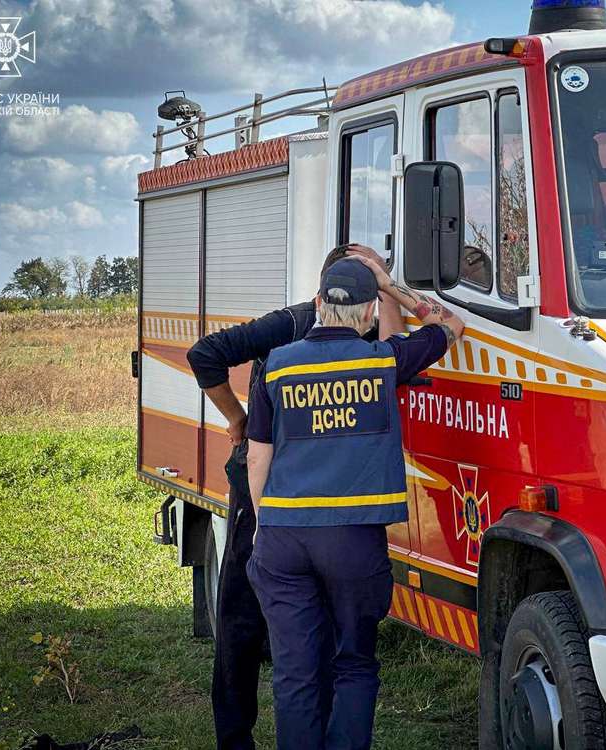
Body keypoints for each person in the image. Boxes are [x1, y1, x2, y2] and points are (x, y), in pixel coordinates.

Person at [185, 244, 400, 750]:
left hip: (302, 508)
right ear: (325, 294)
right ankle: (235, 739)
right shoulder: (293, 323)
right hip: (266, 490)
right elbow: (205, 354)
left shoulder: (370, 334)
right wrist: (238, 419)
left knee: (308, 637)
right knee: (242, 617)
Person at [245, 256, 464, 750]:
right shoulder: (384, 360)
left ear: (320, 304)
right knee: (354, 663)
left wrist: (264, 525)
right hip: (352, 539)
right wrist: (394, 287)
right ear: (369, 313)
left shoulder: (276, 365)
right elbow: (450, 325)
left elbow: (258, 460)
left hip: (283, 538)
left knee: (296, 672)